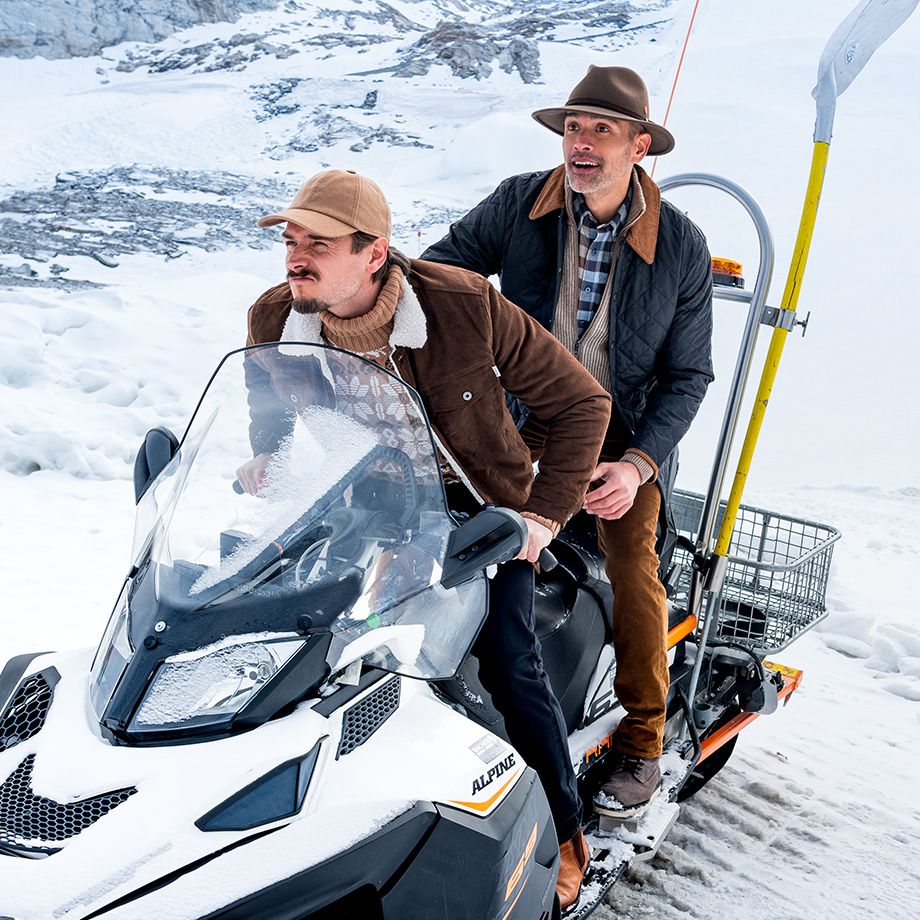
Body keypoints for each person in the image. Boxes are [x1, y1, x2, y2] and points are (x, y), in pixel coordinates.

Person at [238, 169, 611, 909]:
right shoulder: (277, 314)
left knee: (507, 661)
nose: (296, 257)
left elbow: (581, 403)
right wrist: (266, 455)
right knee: (290, 639)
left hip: (480, 513)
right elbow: (262, 394)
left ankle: (566, 835)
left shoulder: (461, 303)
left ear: (374, 253)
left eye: (319, 244)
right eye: (291, 240)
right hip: (367, 505)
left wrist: (539, 518)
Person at [423, 66, 714, 819]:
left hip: (621, 432)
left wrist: (638, 466)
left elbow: (688, 375)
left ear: (640, 147)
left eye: (601, 131)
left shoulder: (681, 246)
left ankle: (642, 739)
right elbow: (435, 276)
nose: (579, 144)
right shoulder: (521, 204)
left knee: (633, 566)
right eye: (572, 127)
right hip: (521, 415)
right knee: (437, 523)